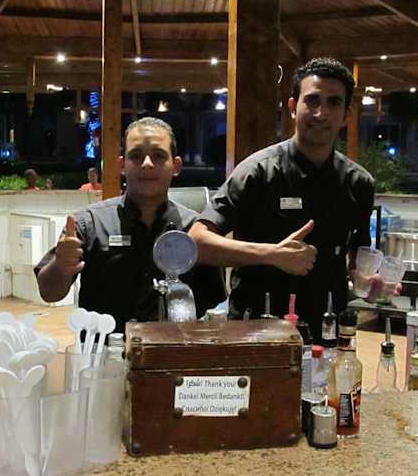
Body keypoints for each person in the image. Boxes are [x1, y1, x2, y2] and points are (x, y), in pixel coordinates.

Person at [188, 57, 397, 342]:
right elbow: (196, 242)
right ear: (292, 107)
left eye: (334, 102)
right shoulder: (258, 172)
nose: (321, 113)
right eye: (312, 100)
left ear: (347, 114)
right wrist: (272, 254)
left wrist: (366, 282)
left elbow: (355, 263)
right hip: (256, 334)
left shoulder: (359, 183)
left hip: (329, 335)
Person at [35, 117, 225, 331]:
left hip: (174, 349)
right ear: (122, 165)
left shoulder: (196, 230)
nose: (147, 164)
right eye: (136, 156)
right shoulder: (89, 223)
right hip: (104, 350)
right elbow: (49, 293)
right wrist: (61, 266)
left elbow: (214, 306)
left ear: (176, 166)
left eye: (159, 156)